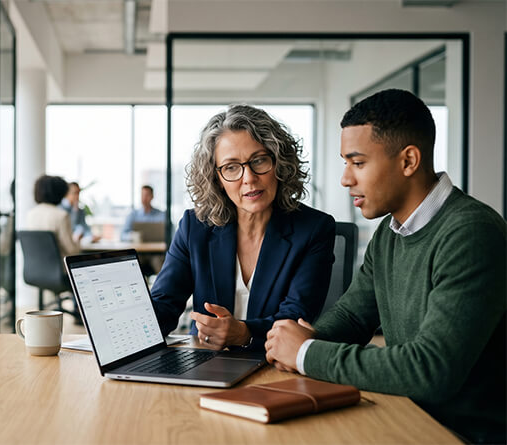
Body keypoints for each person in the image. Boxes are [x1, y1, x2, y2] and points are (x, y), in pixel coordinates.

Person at [264, 89, 505, 444]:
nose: (346, 178)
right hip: (408, 416)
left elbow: (430, 370)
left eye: (358, 163)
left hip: (462, 434)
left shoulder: (471, 233)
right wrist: (302, 341)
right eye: (345, 163)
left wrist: (307, 353)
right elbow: (353, 317)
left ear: (408, 161)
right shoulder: (390, 233)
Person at [150, 104, 335, 351]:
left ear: (278, 163)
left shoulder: (314, 229)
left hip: (277, 365)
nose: (248, 178)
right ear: (217, 178)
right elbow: (164, 304)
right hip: (206, 362)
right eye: (231, 167)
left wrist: (244, 334)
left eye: (258, 161)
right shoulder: (194, 227)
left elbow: (295, 319)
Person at [24, 175, 81, 258]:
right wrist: (77, 241)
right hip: (60, 269)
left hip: (34, 269)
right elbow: (71, 250)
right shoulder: (61, 215)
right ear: (61, 193)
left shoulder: (30, 214)